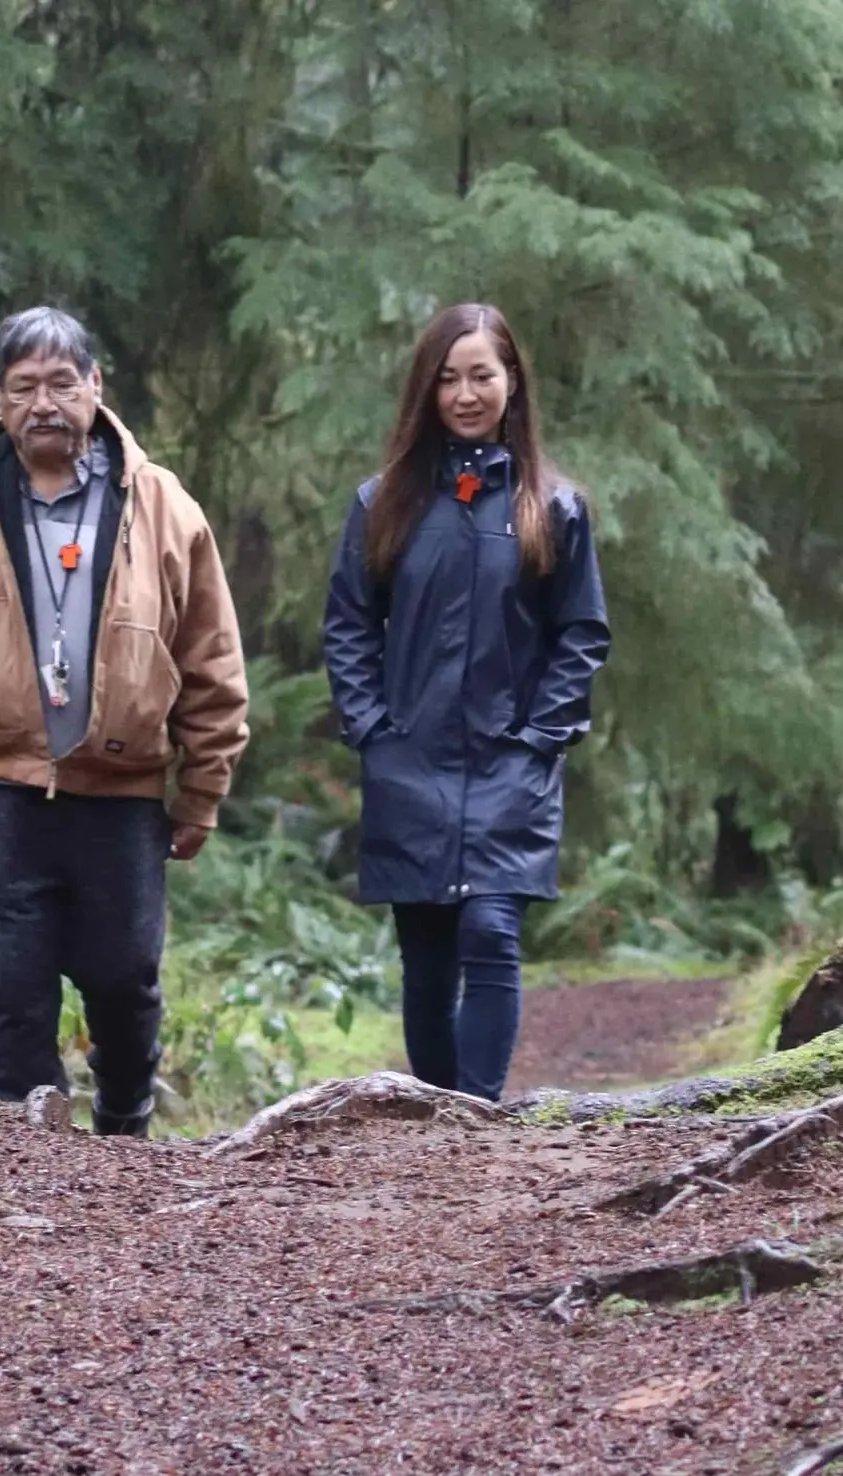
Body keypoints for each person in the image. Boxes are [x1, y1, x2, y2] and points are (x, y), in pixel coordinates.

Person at [0, 306, 249, 1136]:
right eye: (23, 387)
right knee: (13, 981)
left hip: (121, 789)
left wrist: (202, 792)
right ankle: (25, 1149)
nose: (44, 404)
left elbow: (212, 663)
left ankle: (124, 1121)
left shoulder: (164, 506)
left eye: (61, 384)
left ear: (96, 387)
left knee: (124, 977)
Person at [322, 303, 611, 1102]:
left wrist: (538, 737)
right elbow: (349, 623)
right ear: (427, 391)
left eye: (481, 374)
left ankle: (476, 1116)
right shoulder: (385, 503)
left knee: (491, 932)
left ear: (512, 382)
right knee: (426, 953)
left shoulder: (554, 508)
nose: (465, 393)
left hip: (509, 761)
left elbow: (581, 633)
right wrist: (374, 728)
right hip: (408, 758)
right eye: (447, 378)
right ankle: (436, 1115)